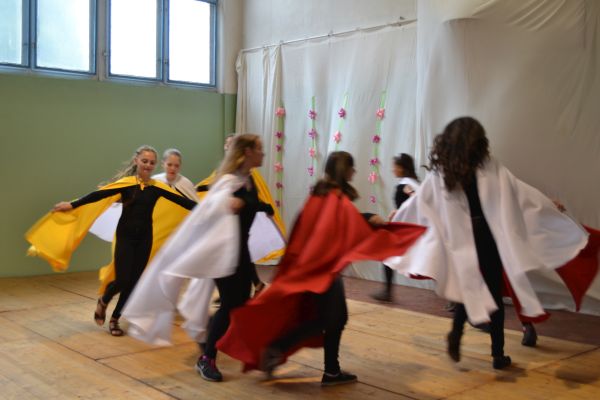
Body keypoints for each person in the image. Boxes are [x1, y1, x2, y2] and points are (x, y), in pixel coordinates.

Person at [387, 117, 592, 369]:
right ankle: (498, 355)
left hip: (460, 239)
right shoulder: (488, 166)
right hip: (486, 237)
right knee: (493, 292)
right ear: (478, 141)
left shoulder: (443, 172)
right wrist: (548, 204)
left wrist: (399, 215)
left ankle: (456, 332)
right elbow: (519, 190)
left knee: (467, 286)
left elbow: (421, 201)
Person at [216, 151, 425, 386]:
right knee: (332, 319)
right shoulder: (334, 198)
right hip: (322, 271)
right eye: (352, 168)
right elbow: (348, 225)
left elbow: (339, 223)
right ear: (345, 170)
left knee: (328, 319)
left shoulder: (321, 195)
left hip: (316, 268)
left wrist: (367, 218)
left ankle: (300, 357)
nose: (354, 172)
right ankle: (306, 360)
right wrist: (372, 221)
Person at [26, 145, 196, 336]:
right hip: (125, 237)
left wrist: (212, 209)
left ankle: (115, 319)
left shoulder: (158, 188)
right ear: (136, 161)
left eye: (151, 162)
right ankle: (104, 300)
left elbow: (186, 203)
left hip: (144, 239)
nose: (148, 165)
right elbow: (97, 195)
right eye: (144, 161)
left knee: (135, 282)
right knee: (122, 280)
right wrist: (72, 204)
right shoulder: (126, 184)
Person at [371, 153, 420, 302]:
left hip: (407, 230)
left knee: (387, 255)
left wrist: (398, 211)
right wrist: (398, 211)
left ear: (402, 168)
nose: (393, 169)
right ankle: (387, 291)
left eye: (395, 166)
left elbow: (415, 198)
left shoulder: (406, 185)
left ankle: (387, 291)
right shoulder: (413, 183)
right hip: (412, 228)